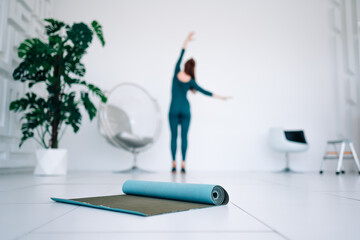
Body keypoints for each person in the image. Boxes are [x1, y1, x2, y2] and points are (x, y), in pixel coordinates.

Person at [169, 32, 230, 173]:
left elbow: (181, 52)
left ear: (184, 66)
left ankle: (173, 163)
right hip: (185, 109)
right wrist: (222, 97)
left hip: (173, 109)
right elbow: (205, 92)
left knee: (174, 137)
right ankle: (183, 163)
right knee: (184, 137)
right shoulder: (191, 81)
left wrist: (187, 40)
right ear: (193, 69)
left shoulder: (177, 72)